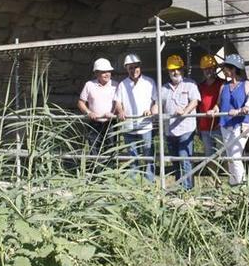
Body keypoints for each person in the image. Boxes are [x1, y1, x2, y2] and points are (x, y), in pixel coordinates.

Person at [113, 53, 158, 181]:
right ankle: (133, 181)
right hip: (129, 126)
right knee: (132, 156)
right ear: (126, 69)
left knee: (148, 154)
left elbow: (156, 101)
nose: (133, 70)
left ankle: (150, 180)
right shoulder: (122, 85)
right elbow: (117, 102)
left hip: (145, 126)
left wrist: (151, 110)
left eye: (135, 67)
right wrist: (120, 111)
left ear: (140, 67)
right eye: (130, 68)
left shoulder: (149, 82)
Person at [210, 54, 249, 185]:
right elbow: (219, 103)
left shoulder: (246, 84)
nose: (223, 70)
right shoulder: (224, 86)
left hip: (240, 124)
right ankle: (234, 183)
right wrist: (214, 110)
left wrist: (240, 111)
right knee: (230, 157)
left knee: (235, 156)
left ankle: (241, 185)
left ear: (234, 69)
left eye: (226, 68)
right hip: (225, 124)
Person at [160, 55, 201, 190]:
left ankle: (187, 191)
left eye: (177, 69)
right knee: (175, 162)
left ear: (182, 70)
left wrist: (185, 111)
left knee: (185, 160)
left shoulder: (190, 84)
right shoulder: (164, 88)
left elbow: (194, 101)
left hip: (186, 129)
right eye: (172, 70)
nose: (175, 72)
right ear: (168, 71)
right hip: (170, 130)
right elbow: (158, 105)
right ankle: (179, 188)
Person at [77, 58, 118, 157]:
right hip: (94, 123)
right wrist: (89, 112)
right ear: (96, 73)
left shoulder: (116, 85)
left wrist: (113, 113)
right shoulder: (89, 85)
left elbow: (120, 104)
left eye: (108, 71)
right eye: (103, 72)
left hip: (110, 123)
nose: (107, 74)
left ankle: (110, 171)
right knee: (93, 151)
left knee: (111, 151)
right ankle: (95, 171)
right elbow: (80, 102)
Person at [196, 54, 223, 159]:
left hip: (219, 126)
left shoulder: (222, 84)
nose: (208, 71)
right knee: (209, 155)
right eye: (205, 69)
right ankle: (213, 175)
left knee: (224, 155)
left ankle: (226, 175)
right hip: (205, 127)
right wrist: (198, 126)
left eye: (210, 68)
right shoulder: (200, 87)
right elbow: (198, 107)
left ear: (215, 68)